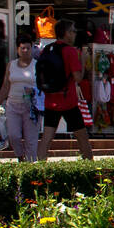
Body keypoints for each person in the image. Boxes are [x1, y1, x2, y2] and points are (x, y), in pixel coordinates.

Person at [37, 20, 93, 161]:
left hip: (51, 100)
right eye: (73, 31)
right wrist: (82, 59)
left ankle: (39, 167)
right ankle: (90, 167)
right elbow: (78, 78)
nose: (75, 34)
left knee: (47, 137)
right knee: (82, 136)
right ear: (66, 33)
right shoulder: (70, 51)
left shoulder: (47, 49)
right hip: (68, 102)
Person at [0, 35, 38, 162]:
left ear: (32, 48)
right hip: (13, 105)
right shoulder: (11, 65)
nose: (25, 51)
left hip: (31, 106)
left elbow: (43, 85)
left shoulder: (37, 65)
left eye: (28, 48)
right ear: (17, 49)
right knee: (13, 135)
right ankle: (20, 157)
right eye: (22, 48)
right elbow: (5, 86)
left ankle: (30, 165)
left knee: (31, 139)